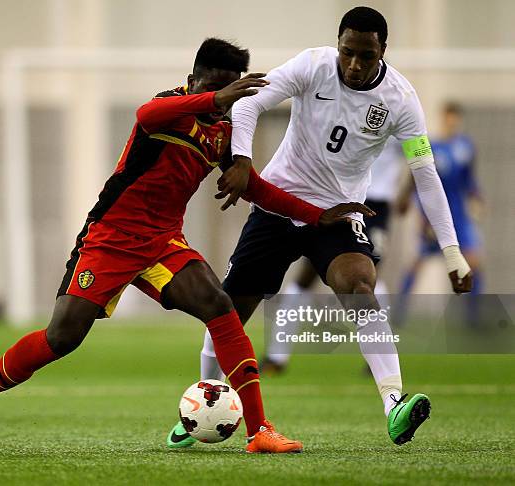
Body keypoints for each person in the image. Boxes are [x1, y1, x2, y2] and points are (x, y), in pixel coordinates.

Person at [0, 38, 371, 455]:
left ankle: (259, 430)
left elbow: (254, 186)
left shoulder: (222, 133)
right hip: (110, 239)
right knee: (62, 337)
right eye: (214, 88)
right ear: (192, 80)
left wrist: (317, 215)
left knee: (220, 307)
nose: (223, 100)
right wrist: (214, 98)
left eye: (231, 91)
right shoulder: (167, 108)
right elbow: (145, 113)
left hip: (163, 242)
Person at [167, 7, 473, 449]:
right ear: (338, 44)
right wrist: (242, 160)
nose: (353, 64)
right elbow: (251, 102)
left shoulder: (401, 100)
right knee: (228, 310)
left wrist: (451, 252)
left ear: (382, 51)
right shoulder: (313, 65)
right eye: (347, 52)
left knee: (359, 284)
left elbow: (426, 174)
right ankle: (202, 404)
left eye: (365, 56)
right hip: (278, 204)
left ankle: (394, 404)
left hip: (337, 214)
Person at [261, 138, 404, 374]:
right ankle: (277, 356)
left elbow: (420, 158)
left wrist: (407, 192)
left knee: (370, 276)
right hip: (343, 199)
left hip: (378, 205)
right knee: (307, 275)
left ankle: (379, 358)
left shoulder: (402, 108)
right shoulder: (350, 106)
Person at [398, 102, 483, 297]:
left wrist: (477, 197)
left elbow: (469, 179)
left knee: (474, 262)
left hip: (459, 216)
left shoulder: (466, 146)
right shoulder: (427, 145)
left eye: (455, 120)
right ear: (443, 119)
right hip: (433, 215)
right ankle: (397, 314)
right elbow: (415, 178)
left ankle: (475, 319)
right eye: (448, 119)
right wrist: (408, 202)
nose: (451, 123)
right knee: (416, 264)